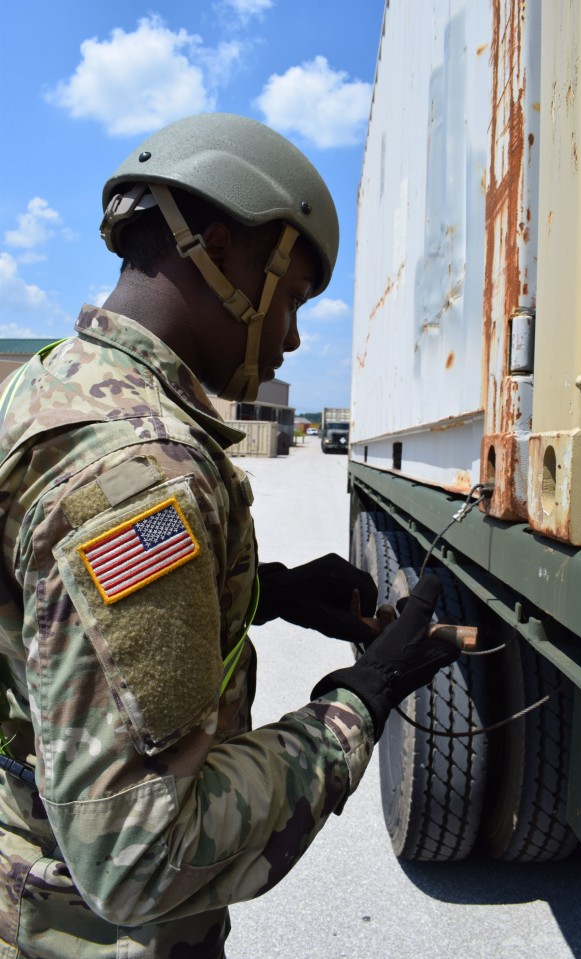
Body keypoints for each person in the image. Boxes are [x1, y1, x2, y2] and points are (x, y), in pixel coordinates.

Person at [0, 113, 457, 958]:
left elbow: (47, 629)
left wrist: (259, 592)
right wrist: (358, 704)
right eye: (290, 299)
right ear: (222, 251)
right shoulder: (143, 473)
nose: (288, 338)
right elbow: (142, 855)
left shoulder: (48, 385)